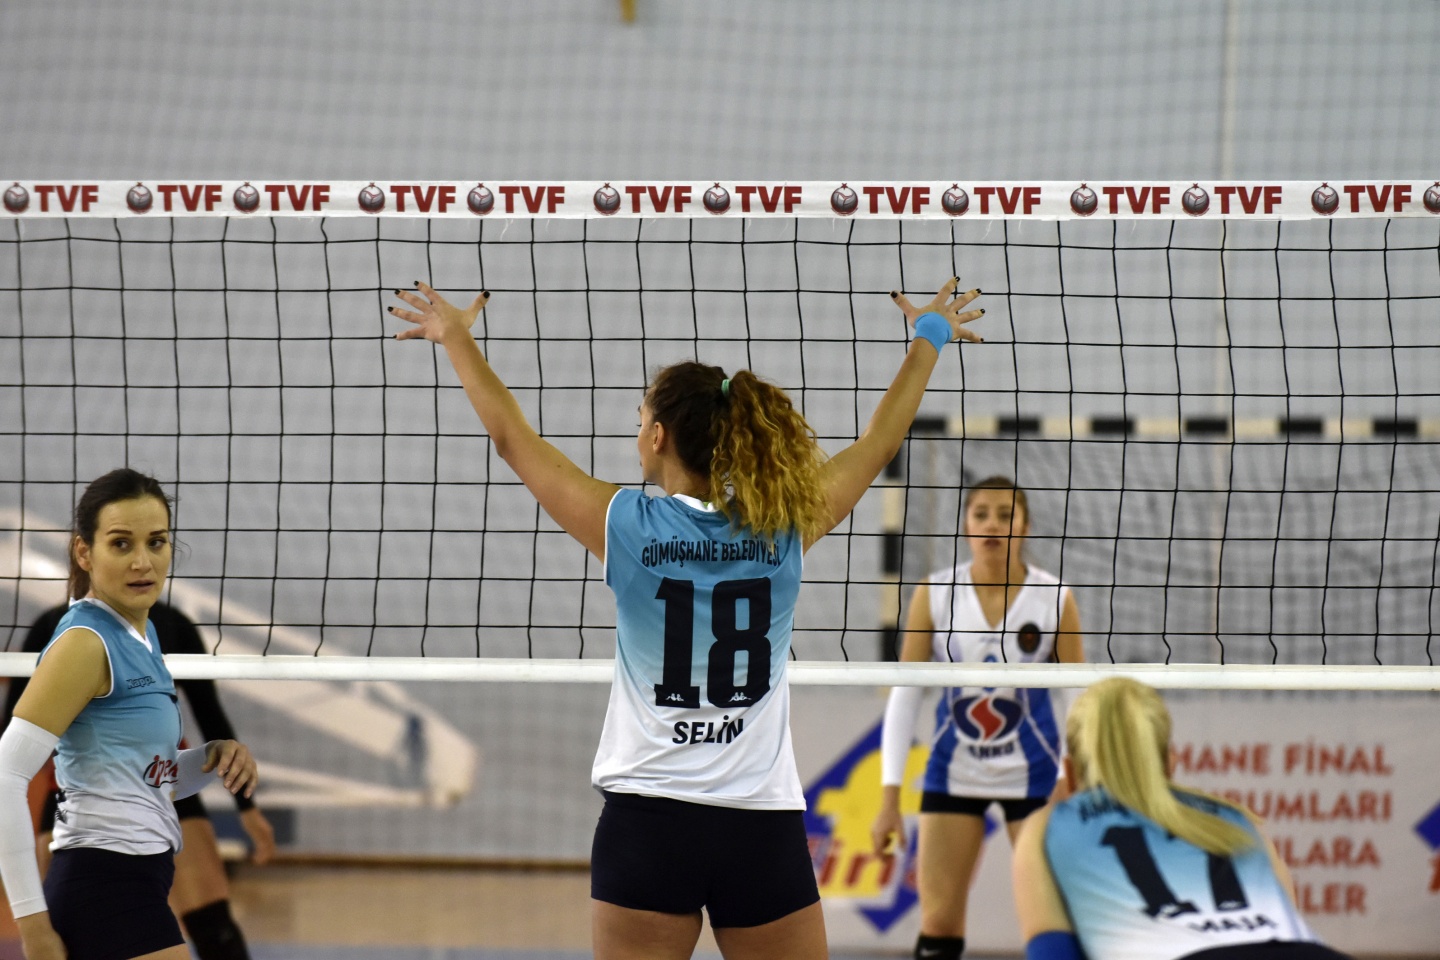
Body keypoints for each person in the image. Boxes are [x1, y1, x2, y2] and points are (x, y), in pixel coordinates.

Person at [389, 277, 984, 960]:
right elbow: (880, 442)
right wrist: (928, 336)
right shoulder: (782, 525)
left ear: (659, 436)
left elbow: (510, 438)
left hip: (649, 823)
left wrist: (456, 338)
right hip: (757, 825)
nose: (637, 431)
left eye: (641, 418)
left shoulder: (626, 526)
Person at [0, 468, 259, 960]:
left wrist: (212, 758)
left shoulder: (141, 635)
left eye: (156, 542)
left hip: (138, 879)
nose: (143, 561)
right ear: (84, 553)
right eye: (121, 544)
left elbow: (143, 778)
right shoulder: (85, 642)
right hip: (103, 885)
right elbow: (6, 774)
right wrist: (33, 929)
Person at [870, 476, 1084, 960]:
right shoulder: (936, 592)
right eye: (981, 514)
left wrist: (1072, 776)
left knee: (1057, 918)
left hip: (1035, 775)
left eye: (1005, 515)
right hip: (955, 770)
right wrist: (889, 799)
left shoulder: (1054, 598)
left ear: (1025, 526)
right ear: (966, 525)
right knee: (938, 923)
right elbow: (906, 695)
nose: (992, 525)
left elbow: (1077, 697)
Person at [5, 600, 275, 960]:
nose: (142, 569)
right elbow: (10, 761)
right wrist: (33, 928)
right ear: (84, 563)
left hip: (154, 807)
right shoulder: (71, 634)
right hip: (90, 837)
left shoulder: (157, 630)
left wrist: (223, 764)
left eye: (157, 550)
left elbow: (202, 718)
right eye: (121, 547)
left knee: (215, 929)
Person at [1011, 677, 1354, 960]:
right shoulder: (1236, 820)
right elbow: (1286, 922)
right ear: (1170, 764)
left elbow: (1053, 953)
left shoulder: (1048, 826)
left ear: (1069, 773)